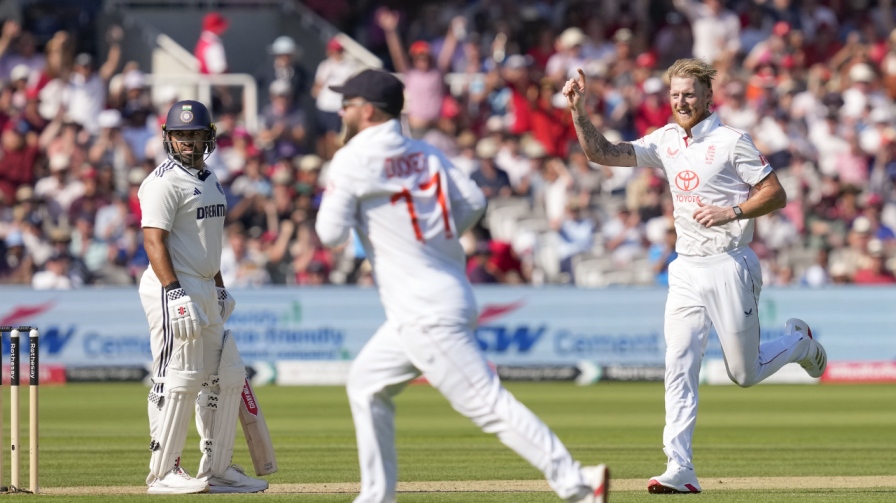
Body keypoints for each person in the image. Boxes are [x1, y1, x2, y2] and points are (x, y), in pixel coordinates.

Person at [315, 68, 609, 503]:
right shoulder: (426, 153)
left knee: (487, 404)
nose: (341, 110)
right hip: (439, 295)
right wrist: (434, 239)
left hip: (424, 310)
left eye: (347, 103)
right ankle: (376, 496)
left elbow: (329, 233)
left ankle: (578, 481)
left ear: (367, 111)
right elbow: (473, 202)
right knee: (365, 383)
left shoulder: (354, 157)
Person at [562, 58, 828, 494]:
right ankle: (679, 467)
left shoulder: (731, 141)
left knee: (744, 373)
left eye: (689, 94)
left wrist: (732, 211)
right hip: (685, 267)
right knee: (678, 363)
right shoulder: (666, 139)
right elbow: (601, 153)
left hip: (729, 263)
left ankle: (798, 342)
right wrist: (577, 111)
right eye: (674, 95)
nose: (681, 102)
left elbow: (776, 193)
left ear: (707, 96)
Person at [136, 99, 268, 494]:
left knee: (226, 377)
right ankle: (164, 472)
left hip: (205, 284)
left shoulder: (210, 179)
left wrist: (220, 284)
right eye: (180, 136)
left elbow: (209, 243)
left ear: (208, 137)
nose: (188, 143)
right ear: (167, 138)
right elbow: (152, 240)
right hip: (173, 285)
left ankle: (218, 468)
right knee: (176, 378)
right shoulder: (162, 182)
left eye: (195, 135)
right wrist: (174, 292)